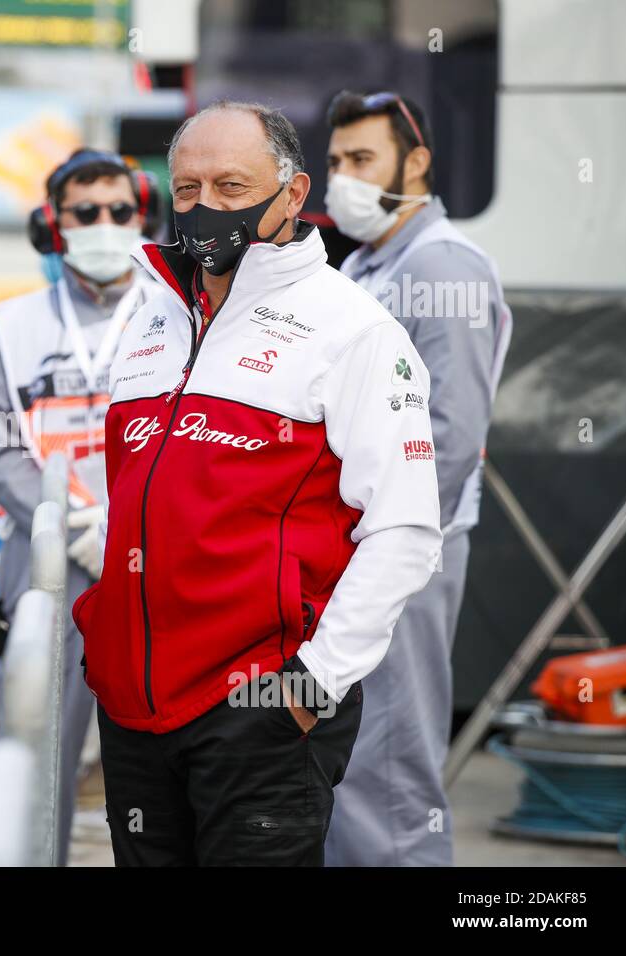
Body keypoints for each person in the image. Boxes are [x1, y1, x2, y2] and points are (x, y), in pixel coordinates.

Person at [72, 100, 443, 866]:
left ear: (293, 194)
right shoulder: (150, 323)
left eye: (232, 187)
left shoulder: (356, 331)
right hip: (134, 712)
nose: (205, 207)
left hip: (261, 711)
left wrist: (310, 690)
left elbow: (405, 533)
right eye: (186, 189)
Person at [322, 90, 513, 866]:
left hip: (401, 553)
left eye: (362, 160)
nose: (344, 180)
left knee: (391, 766)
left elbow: (450, 434)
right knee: (357, 759)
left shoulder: (442, 265)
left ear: (418, 162)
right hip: (359, 549)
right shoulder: (371, 261)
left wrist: (377, 550)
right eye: (335, 163)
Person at [0, 148, 161, 864]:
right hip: (53, 556)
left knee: (158, 758)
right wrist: (76, 524)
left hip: (156, 553)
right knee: (42, 747)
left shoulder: (175, 312)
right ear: (54, 225)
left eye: (120, 211)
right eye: (87, 212)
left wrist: (134, 525)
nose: (105, 225)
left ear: (144, 216)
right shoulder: (9, 325)